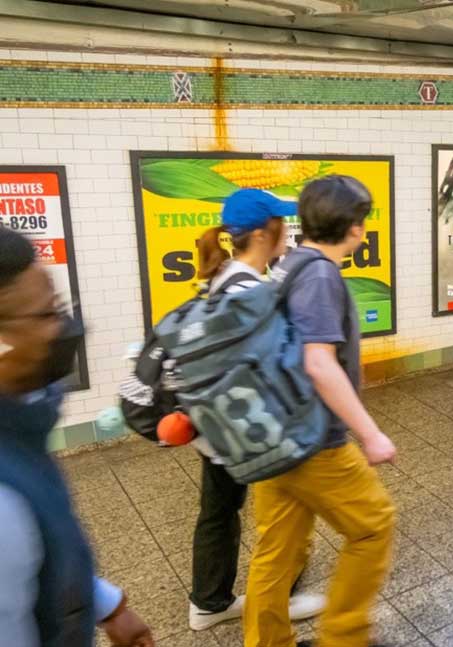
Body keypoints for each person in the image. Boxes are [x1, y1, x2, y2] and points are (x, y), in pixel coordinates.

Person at [244, 176, 397, 647]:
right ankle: (344, 638)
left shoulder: (289, 265)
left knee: (277, 553)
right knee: (374, 526)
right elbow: (318, 362)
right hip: (314, 441)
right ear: (354, 227)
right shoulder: (320, 275)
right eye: (363, 218)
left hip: (273, 435)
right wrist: (370, 434)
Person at [0, 228, 155, 647]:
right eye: (46, 314)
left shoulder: (20, 425)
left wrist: (106, 605)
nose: (64, 329)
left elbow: (34, 561)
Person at [186, 189, 325, 631]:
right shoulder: (252, 291)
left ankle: (208, 602)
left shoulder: (221, 277)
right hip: (247, 430)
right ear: (266, 233)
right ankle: (278, 600)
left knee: (219, 512)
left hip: (214, 426)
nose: (290, 231)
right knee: (281, 521)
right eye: (284, 224)